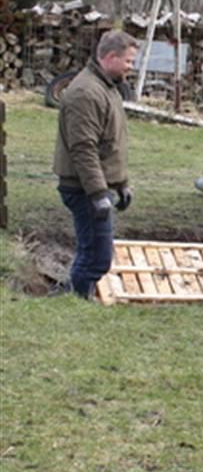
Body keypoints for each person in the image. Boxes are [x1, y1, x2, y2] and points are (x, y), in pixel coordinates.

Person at [53, 30, 139, 298]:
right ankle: (76, 302)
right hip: (83, 188)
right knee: (95, 257)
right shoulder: (86, 93)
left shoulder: (106, 87)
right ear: (111, 57)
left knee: (94, 251)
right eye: (128, 61)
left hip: (94, 185)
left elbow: (109, 144)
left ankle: (76, 296)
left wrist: (121, 184)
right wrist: (99, 194)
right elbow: (84, 149)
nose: (131, 67)